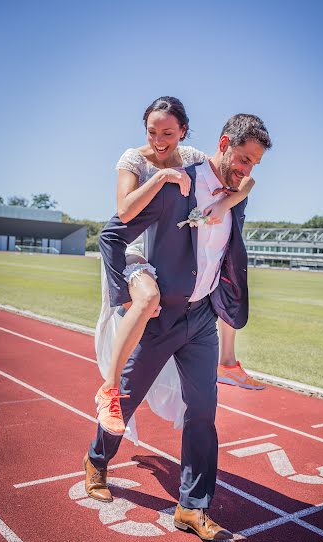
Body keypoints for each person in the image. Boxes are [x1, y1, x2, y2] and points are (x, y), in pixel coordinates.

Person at [85, 112, 272, 541]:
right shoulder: (177, 184)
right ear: (223, 143)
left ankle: (192, 506)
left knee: (203, 411)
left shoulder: (238, 191)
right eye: (243, 158)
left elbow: (233, 224)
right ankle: (97, 459)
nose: (246, 170)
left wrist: (233, 194)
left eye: (254, 165)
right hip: (161, 316)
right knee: (126, 397)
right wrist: (125, 297)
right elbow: (112, 236)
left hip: (203, 318)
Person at [95, 97, 263, 442]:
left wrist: (223, 202)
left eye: (168, 133)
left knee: (220, 285)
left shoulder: (194, 158)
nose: (159, 139)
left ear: (183, 132)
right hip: (135, 249)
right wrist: (162, 178)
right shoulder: (134, 159)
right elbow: (124, 213)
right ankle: (109, 390)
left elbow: (242, 181)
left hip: (170, 258)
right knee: (147, 299)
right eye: (152, 131)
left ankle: (228, 361)